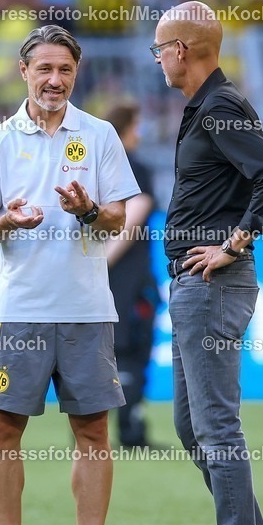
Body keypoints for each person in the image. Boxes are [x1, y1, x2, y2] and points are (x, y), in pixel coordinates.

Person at [0, 25, 139, 525]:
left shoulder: (100, 135)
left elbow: (119, 216)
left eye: (64, 69)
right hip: (20, 308)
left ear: (76, 73)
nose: (55, 79)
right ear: (24, 72)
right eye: (44, 69)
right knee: (3, 429)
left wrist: (89, 209)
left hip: (87, 306)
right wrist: (8, 220)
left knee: (92, 432)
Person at [151, 1, 263, 525]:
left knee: (214, 423)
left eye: (160, 47)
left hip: (212, 280)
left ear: (181, 50)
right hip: (195, 281)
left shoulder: (220, 106)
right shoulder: (207, 106)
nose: (158, 57)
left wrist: (233, 245)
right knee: (193, 426)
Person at [104, 101, 160, 450]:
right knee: (132, 353)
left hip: (101, 281)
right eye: (138, 125)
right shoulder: (134, 167)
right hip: (129, 280)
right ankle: (130, 432)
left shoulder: (95, 167)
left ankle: (91, 432)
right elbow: (132, 219)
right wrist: (102, 262)